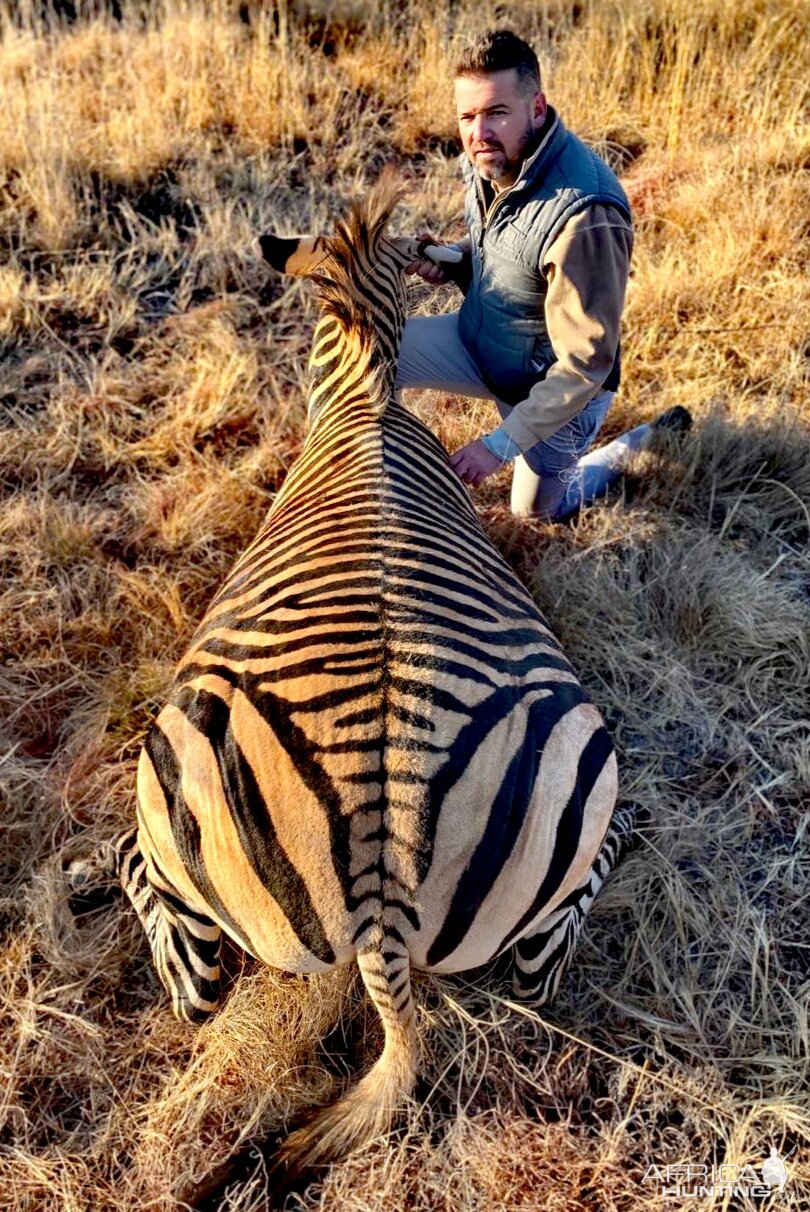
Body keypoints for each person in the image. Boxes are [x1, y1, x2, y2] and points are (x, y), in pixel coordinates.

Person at [398, 29, 688, 521]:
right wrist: (454, 258)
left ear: (537, 107)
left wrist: (498, 445)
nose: (478, 132)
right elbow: (507, 242)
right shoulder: (492, 155)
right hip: (481, 344)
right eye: (467, 116)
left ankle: (633, 447)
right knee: (374, 352)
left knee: (532, 515)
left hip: (550, 392)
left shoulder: (585, 215)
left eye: (496, 112)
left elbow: (583, 367)